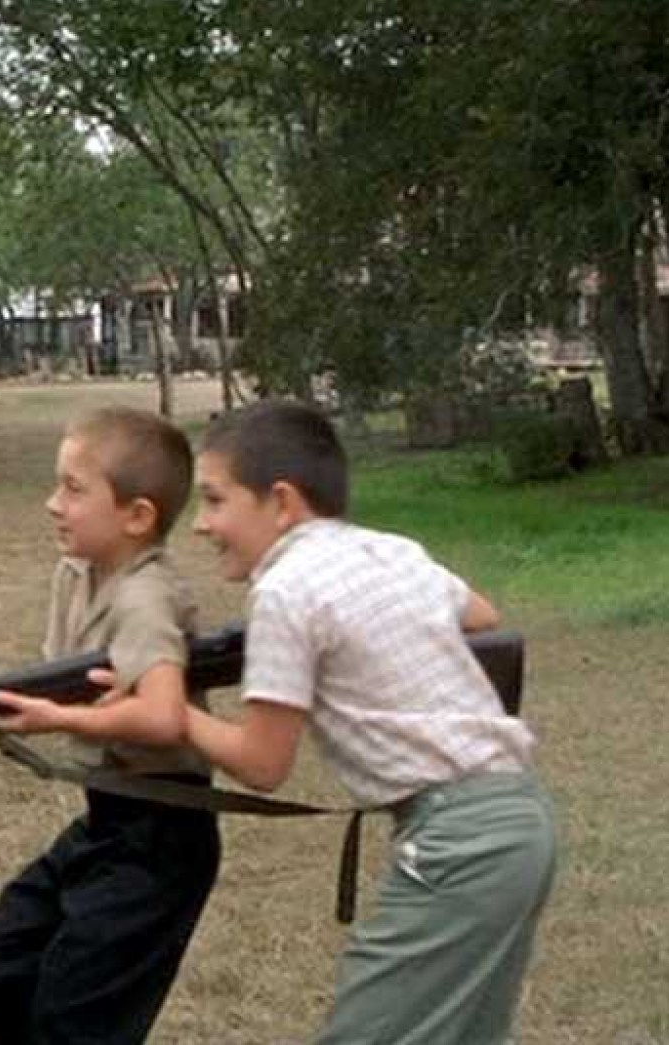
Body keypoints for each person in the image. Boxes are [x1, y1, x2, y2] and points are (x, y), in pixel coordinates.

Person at [175, 399, 557, 1045]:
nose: (199, 524)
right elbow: (482, 615)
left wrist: (172, 713)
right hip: (520, 819)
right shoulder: (389, 549)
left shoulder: (284, 590)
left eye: (214, 500)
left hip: (458, 844)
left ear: (282, 502)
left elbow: (262, 765)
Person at [0, 406, 222, 1045]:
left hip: (161, 837)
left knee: (73, 1021)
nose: (53, 504)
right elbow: (57, 684)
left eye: (74, 490)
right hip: (110, 822)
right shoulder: (77, 573)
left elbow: (163, 716)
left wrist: (58, 720)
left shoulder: (145, 596)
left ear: (137, 516)